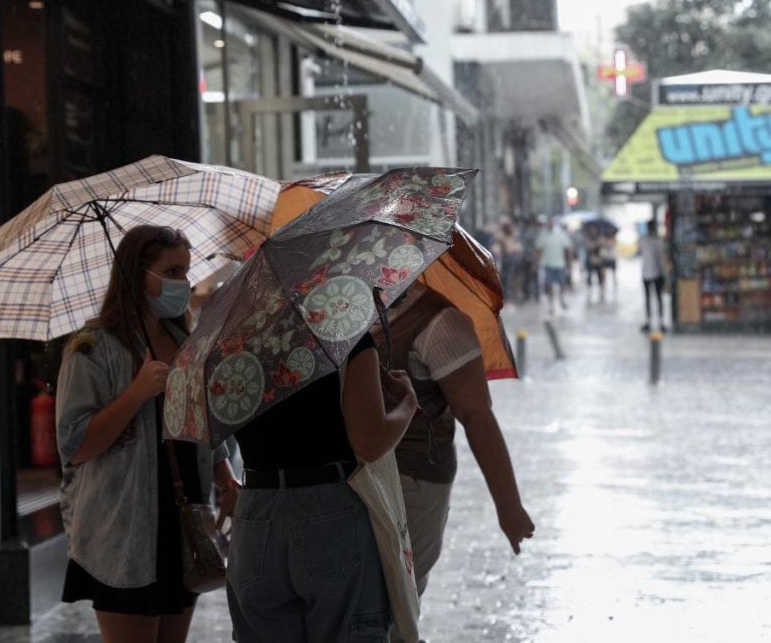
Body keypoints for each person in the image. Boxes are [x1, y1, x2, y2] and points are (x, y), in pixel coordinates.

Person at [56, 225, 240, 643]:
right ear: (138, 273)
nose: (183, 283)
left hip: (186, 521)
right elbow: (75, 444)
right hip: (125, 530)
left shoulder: (184, 339)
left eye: (186, 272)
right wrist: (136, 393)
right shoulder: (92, 347)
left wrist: (224, 474)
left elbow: (201, 422)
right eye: (172, 271)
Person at [226, 315, 419, 641]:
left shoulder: (234, 337)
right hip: (330, 515)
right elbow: (370, 442)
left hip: (255, 515)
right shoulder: (343, 333)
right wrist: (408, 405)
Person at [374, 282, 534, 622]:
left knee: (389, 603)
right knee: (378, 606)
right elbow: (477, 417)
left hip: (410, 481)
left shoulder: (436, 322)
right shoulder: (350, 309)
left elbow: (476, 417)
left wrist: (509, 507)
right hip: (363, 478)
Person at [535, 217, 572, 314]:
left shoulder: (561, 234)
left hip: (560, 264)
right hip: (547, 264)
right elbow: (538, 249)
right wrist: (536, 262)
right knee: (549, 285)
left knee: (562, 284)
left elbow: (568, 248)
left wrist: (569, 262)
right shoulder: (543, 235)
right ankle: (551, 304)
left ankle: (562, 299)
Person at [639, 219, 667, 332]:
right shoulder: (657, 241)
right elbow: (661, 258)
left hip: (647, 272)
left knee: (649, 299)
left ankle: (650, 322)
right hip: (656, 272)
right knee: (657, 298)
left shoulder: (643, 240)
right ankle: (659, 322)